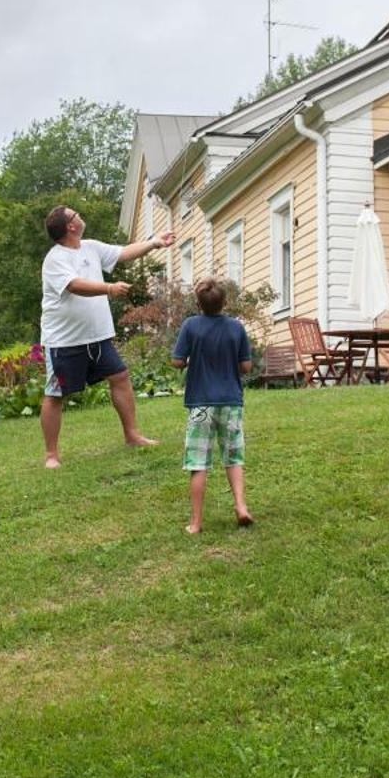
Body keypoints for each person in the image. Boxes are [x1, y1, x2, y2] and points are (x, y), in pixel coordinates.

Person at [38, 205, 173, 468]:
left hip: (98, 337)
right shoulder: (55, 259)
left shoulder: (90, 247)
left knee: (120, 377)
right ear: (70, 227)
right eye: (75, 215)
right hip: (64, 342)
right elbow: (75, 285)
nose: (79, 215)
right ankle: (51, 455)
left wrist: (153, 243)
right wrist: (109, 288)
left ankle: (132, 435)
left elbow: (122, 252)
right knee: (56, 394)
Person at [169, 276, 255, 534]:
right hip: (230, 402)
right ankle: (240, 506)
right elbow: (246, 366)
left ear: (198, 302)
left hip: (201, 404)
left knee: (198, 463)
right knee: (233, 457)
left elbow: (177, 361)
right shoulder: (236, 327)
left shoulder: (190, 326)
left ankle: (195, 523)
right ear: (224, 302)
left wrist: (188, 358)